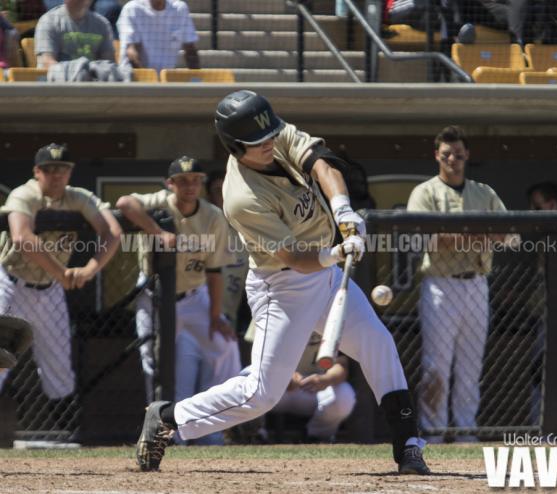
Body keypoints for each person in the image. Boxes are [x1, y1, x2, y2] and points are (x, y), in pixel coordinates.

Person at [135, 90, 430, 476]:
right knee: (261, 394)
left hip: (324, 275)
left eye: (272, 134)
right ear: (236, 147)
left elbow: (323, 165)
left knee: (378, 343)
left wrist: (343, 210)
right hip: (283, 285)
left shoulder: (274, 134)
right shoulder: (241, 197)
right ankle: (168, 418)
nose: (270, 143)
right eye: (259, 143)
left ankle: (408, 444)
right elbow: (293, 257)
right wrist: (336, 253)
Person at [117, 157, 241, 445]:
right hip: (154, 296)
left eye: (195, 179)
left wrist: (214, 316)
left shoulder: (213, 216)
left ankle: (214, 429)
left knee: (224, 346)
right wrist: (158, 232)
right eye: (183, 180)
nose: (190, 185)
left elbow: (214, 271)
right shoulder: (161, 201)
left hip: (195, 296)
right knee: (154, 363)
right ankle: (161, 431)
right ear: (170, 183)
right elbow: (124, 203)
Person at [406, 125, 511, 443]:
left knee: (470, 366)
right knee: (436, 366)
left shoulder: (484, 192)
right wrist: (476, 235)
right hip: (440, 284)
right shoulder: (425, 192)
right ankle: (434, 432)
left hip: (477, 283)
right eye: (447, 154)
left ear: (467, 155)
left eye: (459, 153)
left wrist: (470, 236)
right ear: (437, 155)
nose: (453, 159)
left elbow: (510, 234)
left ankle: (465, 430)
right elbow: (422, 239)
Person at [0, 143, 121, 405]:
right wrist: (62, 272)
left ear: (70, 173)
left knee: (58, 361)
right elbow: (22, 237)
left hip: (50, 289)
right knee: (0, 358)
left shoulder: (77, 196)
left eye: (62, 170)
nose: (56, 175)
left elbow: (112, 231)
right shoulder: (25, 194)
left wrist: (90, 269)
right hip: (12, 283)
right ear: (37, 171)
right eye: (49, 169)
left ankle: (62, 429)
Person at [242, 328, 356, 443]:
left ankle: (317, 437)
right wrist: (280, 374)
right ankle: (254, 435)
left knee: (344, 394)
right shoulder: (271, 309)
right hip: (274, 387)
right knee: (246, 378)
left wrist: (325, 379)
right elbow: (257, 356)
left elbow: (341, 364)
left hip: (313, 388)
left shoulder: (331, 314)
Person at [205, 169, 249, 335]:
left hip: (229, 317)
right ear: (209, 197)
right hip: (198, 313)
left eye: (226, 189)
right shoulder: (201, 227)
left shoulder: (245, 231)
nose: (223, 195)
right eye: (218, 191)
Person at [116, 0, 199, 73]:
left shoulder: (180, 9)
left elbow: (190, 50)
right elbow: (132, 54)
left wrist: (197, 81)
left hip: (165, 81)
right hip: (133, 80)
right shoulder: (131, 9)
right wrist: (147, 81)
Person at [34, 0, 115, 69]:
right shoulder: (48, 21)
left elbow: (108, 62)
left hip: (92, 84)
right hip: (57, 84)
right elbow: (46, 62)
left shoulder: (102, 24)